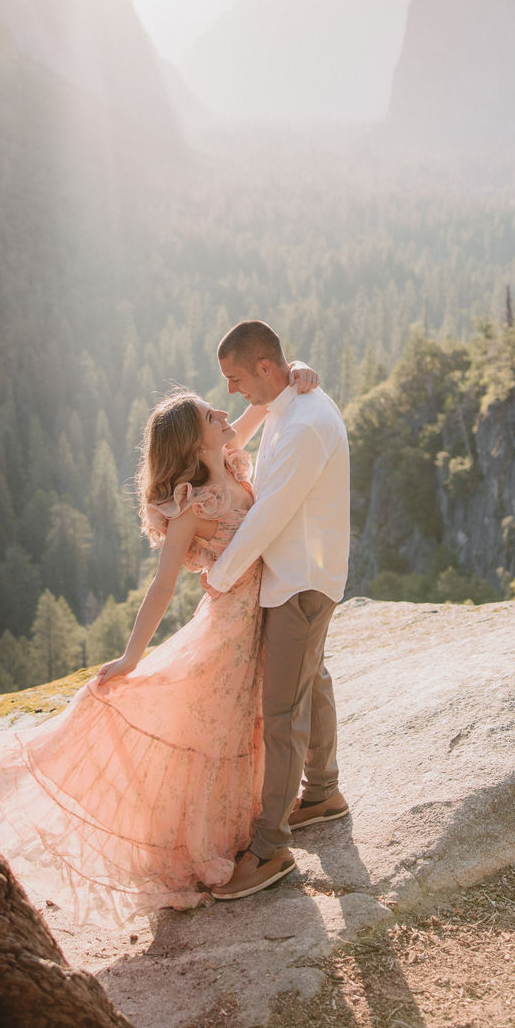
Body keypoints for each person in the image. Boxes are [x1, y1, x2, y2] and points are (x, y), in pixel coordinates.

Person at [0, 366, 316, 926]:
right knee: (219, 729)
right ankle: (212, 846)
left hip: (268, 615)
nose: (225, 415)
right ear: (194, 440)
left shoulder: (230, 462)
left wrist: (292, 374)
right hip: (230, 630)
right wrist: (132, 658)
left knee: (252, 721)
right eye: (212, 414)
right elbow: (161, 587)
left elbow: (256, 409)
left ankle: (248, 829)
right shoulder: (192, 506)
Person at [205, 319, 351, 902]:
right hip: (298, 576)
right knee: (310, 680)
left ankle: (269, 848)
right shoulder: (288, 405)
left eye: (236, 378)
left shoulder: (306, 424)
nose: (233, 391)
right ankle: (322, 793)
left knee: (282, 710)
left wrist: (220, 574)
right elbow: (244, 438)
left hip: (300, 583)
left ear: (265, 367)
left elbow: (270, 515)